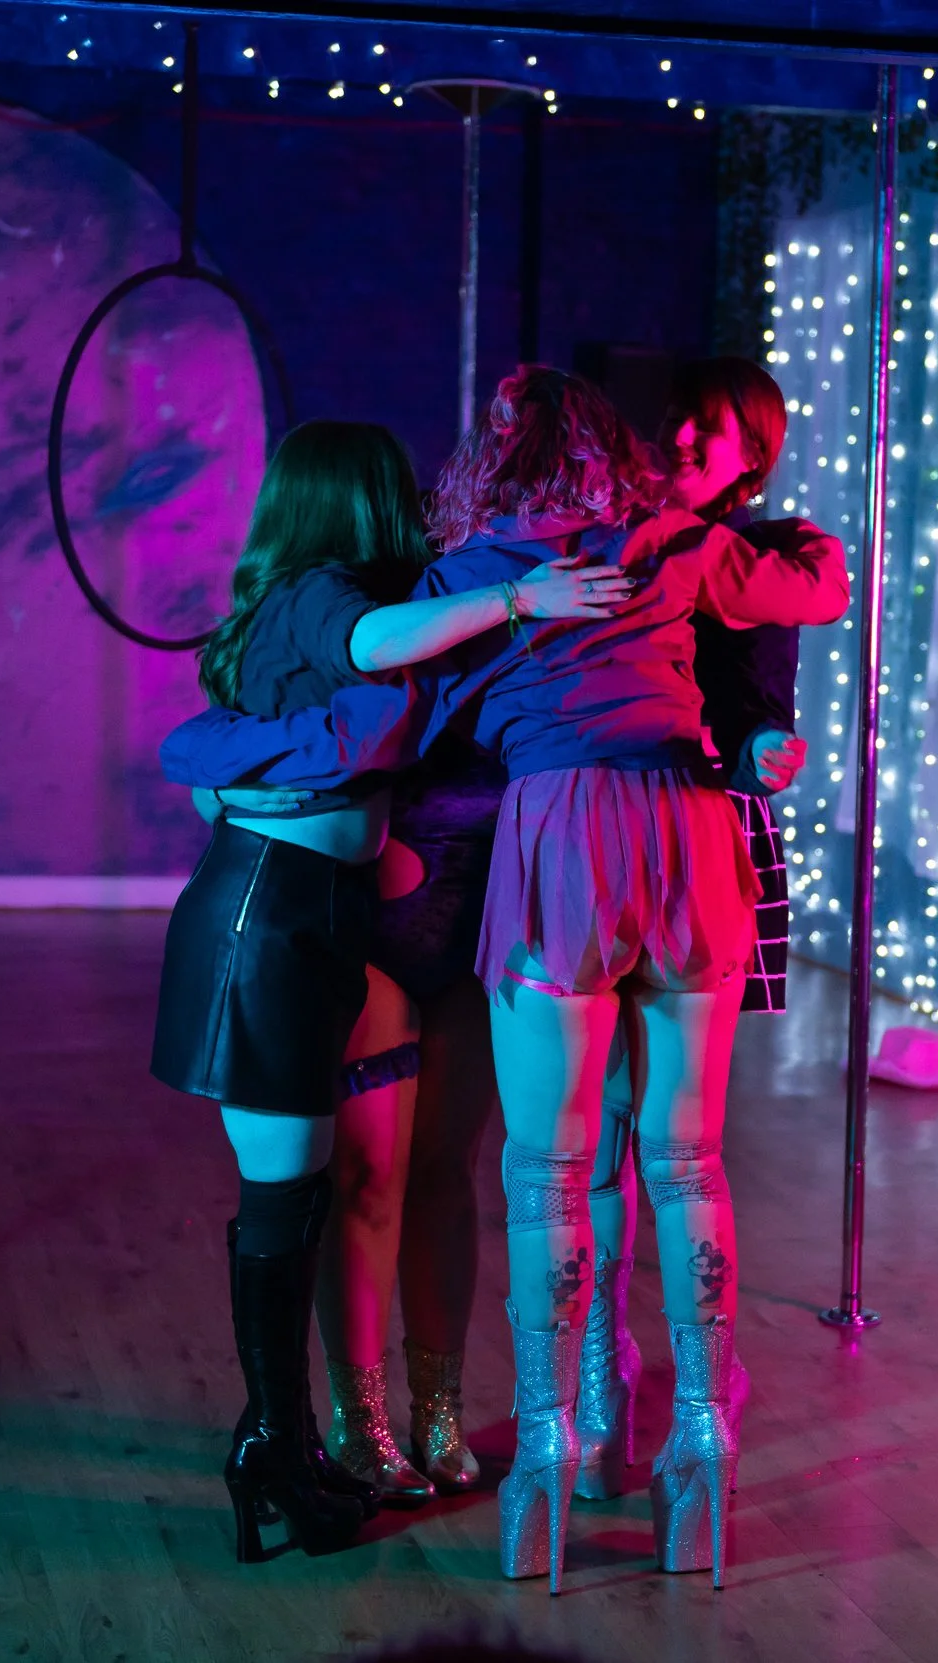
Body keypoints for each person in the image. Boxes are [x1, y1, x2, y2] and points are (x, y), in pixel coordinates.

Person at [161, 365, 849, 1591]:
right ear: (610, 450)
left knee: (546, 1170)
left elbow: (403, 721)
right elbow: (817, 584)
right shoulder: (671, 539)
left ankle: (546, 1451)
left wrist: (222, 763)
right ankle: (697, 1436)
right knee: (685, 1157)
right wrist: (763, 541)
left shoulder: (466, 576)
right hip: (691, 836)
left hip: (561, 845)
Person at [149, 419, 631, 1562]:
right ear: (358, 502)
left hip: (314, 912)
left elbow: (252, 750)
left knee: (309, 1194)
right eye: (403, 495)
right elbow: (364, 652)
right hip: (271, 912)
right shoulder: (320, 598)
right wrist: (519, 602)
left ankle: (290, 1444)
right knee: (292, 1198)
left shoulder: (324, 608)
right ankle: (283, 1444)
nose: (425, 512)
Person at [576, 357, 808, 1504]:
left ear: (749, 453)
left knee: (670, 1136)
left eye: (708, 430)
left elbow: (765, 698)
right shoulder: (611, 538)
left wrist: (762, 751)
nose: (679, 436)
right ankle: (605, 1363)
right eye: (676, 419)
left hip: (699, 833)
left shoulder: (761, 558)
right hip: (593, 833)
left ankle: (690, 1387)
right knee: (608, 1129)